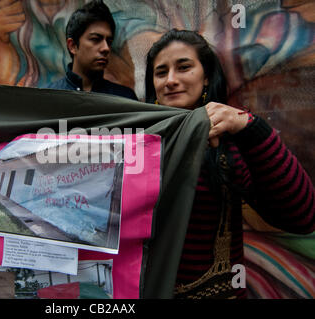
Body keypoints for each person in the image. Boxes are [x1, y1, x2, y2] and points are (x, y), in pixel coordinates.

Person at [144, 29, 315, 299]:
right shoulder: (138, 143)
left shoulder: (229, 143)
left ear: (207, 77)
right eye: (161, 72)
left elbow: (302, 216)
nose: (171, 80)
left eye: (184, 67)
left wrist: (250, 127)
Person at [46, 0, 137, 100]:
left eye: (109, 42)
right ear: (72, 46)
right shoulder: (49, 98)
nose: (106, 48)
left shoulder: (124, 99)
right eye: (95, 39)